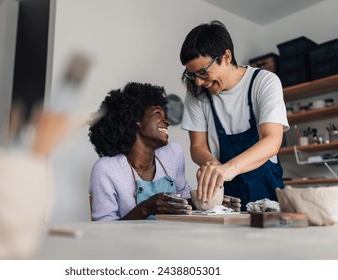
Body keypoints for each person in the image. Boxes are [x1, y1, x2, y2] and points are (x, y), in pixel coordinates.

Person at [88, 82, 240, 221]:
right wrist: (145, 208)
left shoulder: (173, 153)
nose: (167, 121)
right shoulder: (106, 169)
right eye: (158, 114)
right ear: (136, 119)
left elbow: (183, 198)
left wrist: (209, 202)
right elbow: (104, 229)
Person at [180, 20, 289, 211]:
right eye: (192, 75)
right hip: (227, 196)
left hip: (267, 188)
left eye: (203, 72)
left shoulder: (264, 82)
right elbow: (197, 146)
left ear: (226, 56)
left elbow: (272, 140)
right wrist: (212, 165)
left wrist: (229, 168)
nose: (197, 82)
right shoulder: (196, 94)